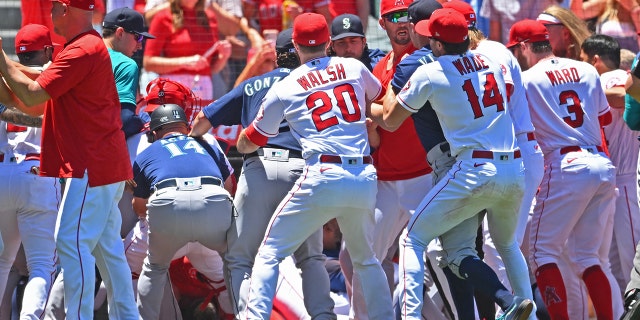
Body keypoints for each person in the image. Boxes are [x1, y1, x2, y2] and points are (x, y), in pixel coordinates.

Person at [237, 12, 394, 319]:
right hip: (362, 175)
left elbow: (251, 140)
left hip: (322, 174)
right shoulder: (353, 66)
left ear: (295, 45)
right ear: (327, 43)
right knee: (366, 259)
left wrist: (243, 142)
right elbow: (381, 102)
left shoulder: (287, 84)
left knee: (269, 253)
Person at [384, 8, 534, 320]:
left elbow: (389, 120)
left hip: (472, 169)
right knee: (505, 247)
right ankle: (516, 306)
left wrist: (378, 100)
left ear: (437, 44)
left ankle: (410, 317)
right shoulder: (492, 59)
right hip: (514, 165)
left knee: (412, 239)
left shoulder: (431, 71)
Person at [0, 0, 139, 318]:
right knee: (108, 250)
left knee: (70, 242)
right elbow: (30, 93)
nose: (49, 14)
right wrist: (3, 65)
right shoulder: (81, 46)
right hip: (102, 165)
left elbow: (32, 94)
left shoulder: (82, 49)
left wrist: (2, 59)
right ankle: (128, 315)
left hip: (93, 166)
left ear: (65, 10)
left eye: (53, 9)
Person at [190, 28, 338, 318]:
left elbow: (202, 120)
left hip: (260, 172)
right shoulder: (319, 84)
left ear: (277, 56)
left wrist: (190, 145)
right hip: (304, 173)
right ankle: (323, 316)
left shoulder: (254, 85)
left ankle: (250, 316)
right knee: (311, 258)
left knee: (240, 258)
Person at [509, 19, 617, 320]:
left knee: (542, 254)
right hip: (601, 165)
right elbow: (604, 120)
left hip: (565, 165)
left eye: (516, 49)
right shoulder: (585, 69)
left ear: (524, 47)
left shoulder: (526, 79)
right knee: (587, 257)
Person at [131, 103, 235, 320]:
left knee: (154, 268)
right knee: (234, 266)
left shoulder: (146, 152)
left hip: (168, 208)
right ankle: (244, 315)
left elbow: (140, 206)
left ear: (155, 132)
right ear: (186, 127)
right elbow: (228, 186)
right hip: (213, 205)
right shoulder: (208, 144)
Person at [0, 23, 59, 320]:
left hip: (1, 173)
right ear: (48, 49)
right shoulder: (55, 77)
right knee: (40, 265)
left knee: (2, 261)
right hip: (37, 174)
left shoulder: (5, 81)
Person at [580, 33, 640, 297]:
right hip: (620, 181)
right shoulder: (625, 78)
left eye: (583, 59)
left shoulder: (604, 80)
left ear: (595, 60)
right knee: (620, 264)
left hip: (623, 181)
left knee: (624, 265)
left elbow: (617, 98)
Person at [143, 0, 232, 102]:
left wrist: (224, 56)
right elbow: (148, 63)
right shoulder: (163, 17)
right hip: (173, 90)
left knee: (201, 118)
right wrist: (185, 62)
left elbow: (212, 68)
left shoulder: (210, 17)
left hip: (203, 91)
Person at [102, 7, 155, 139]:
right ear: (120, 33)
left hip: (65, 142)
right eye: (138, 37)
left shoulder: (80, 53)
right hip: (97, 149)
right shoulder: (125, 64)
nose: (140, 45)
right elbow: (124, 120)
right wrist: (142, 121)